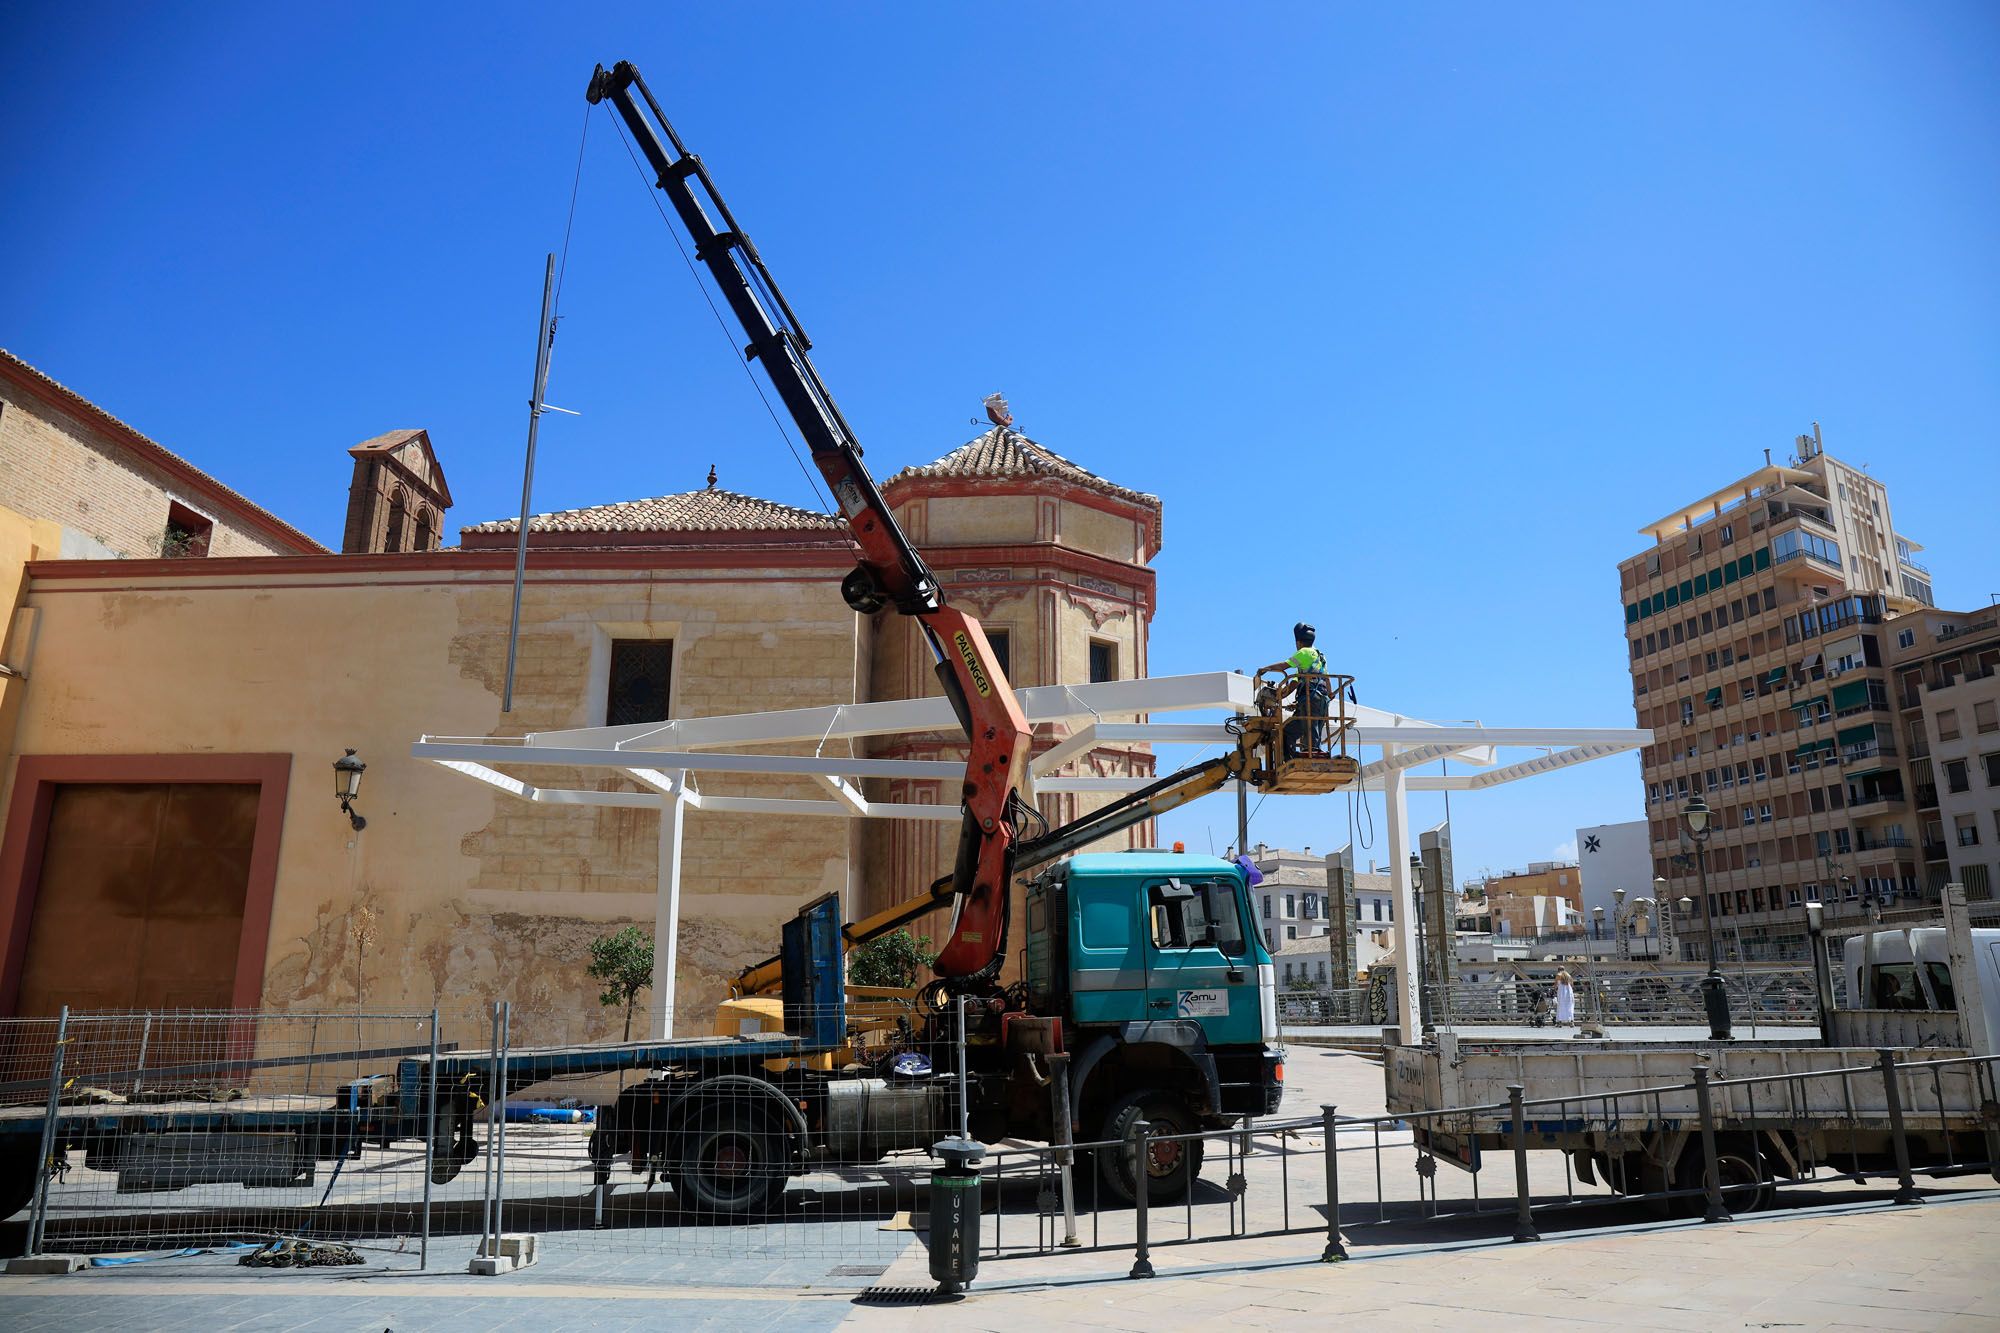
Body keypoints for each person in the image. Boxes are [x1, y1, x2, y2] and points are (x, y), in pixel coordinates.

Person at [1284, 622, 1332, 757]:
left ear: (1298, 642)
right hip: (1321, 699)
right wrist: (1331, 694)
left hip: (1310, 697)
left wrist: (1264, 670)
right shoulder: (1320, 656)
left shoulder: (1303, 652)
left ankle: (1306, 755)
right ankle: (1306, 753)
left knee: (1294, 730)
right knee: (1306, 728)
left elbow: (1284, 666)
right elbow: (1326, 678)